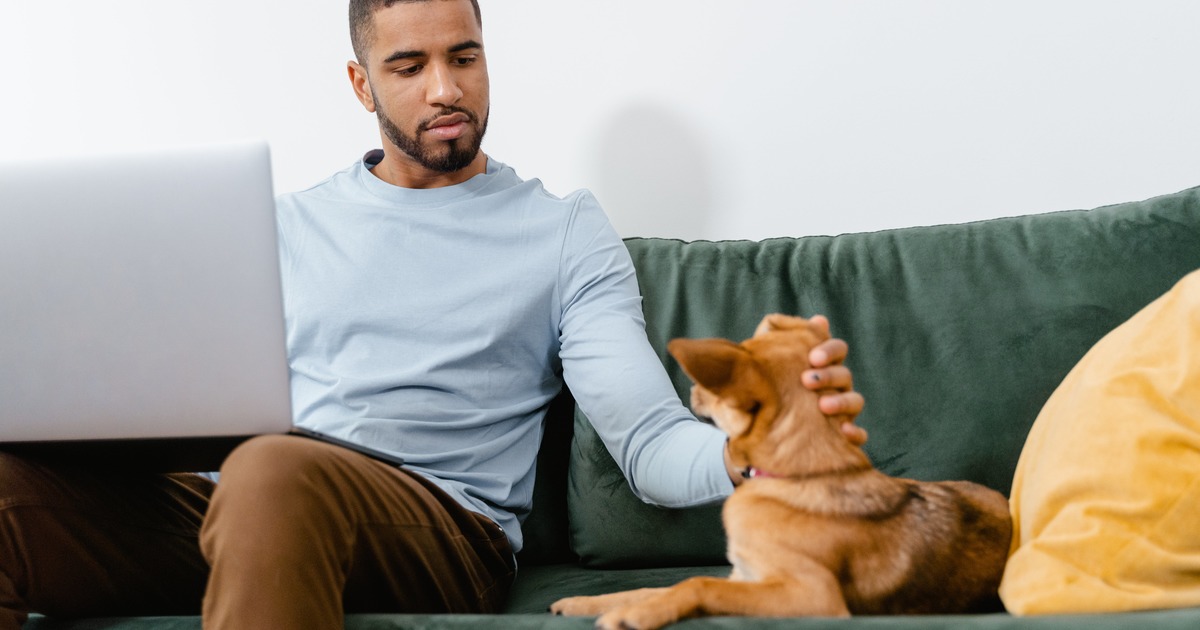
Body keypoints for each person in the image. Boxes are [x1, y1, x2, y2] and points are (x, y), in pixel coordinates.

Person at [0, 1, 865, 628]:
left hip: (443, 530)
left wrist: (762, 454)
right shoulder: (277, 225)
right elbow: (171, 405)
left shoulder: (560, 230)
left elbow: (644, 442)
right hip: (249, 511)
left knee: (272, 473)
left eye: (466, 55)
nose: (446, 89)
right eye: (409, 67)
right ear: (360, 81)